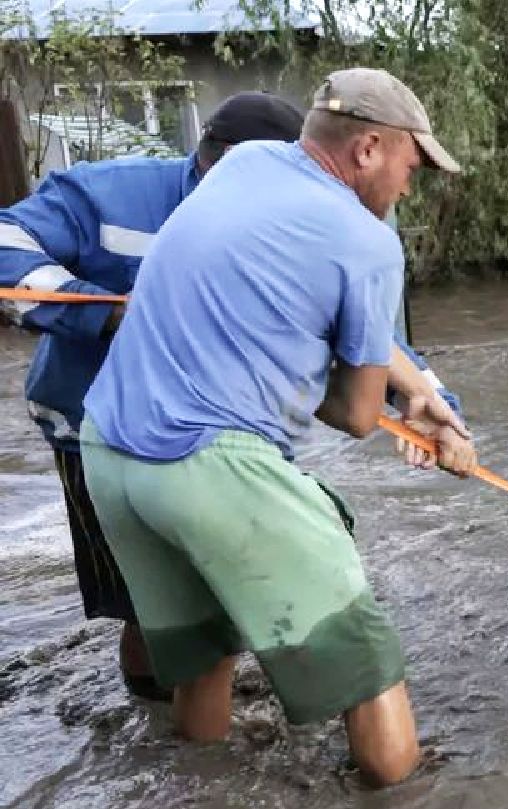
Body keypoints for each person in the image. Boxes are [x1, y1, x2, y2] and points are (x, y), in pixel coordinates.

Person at [80, 67, 473, 787]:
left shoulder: (246, 163)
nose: (411, 186)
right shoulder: (369, 241)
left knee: (205, 661)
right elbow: (355, 415)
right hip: (209, 465)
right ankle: (406, 789)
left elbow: (266, 293)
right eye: (411, 166)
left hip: (108, 454)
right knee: (367, 663)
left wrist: (418, 390)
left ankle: (206, 789)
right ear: (367, 150)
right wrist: (402, 410)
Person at [0, 91, 306, 700]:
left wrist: (430, 404)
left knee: (237, 585)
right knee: (146, 603)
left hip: (226, 434)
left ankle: (203, 711)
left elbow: (358, 334)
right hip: (94, 430)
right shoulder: (109, 195)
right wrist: (110, 313)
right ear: (212, 163)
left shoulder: (294, 220)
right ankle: (158, 728)